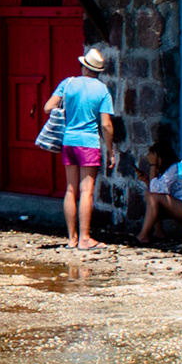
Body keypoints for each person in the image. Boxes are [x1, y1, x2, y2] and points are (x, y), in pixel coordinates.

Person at [43, 47, 117, 250]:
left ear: (84, 66)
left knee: (70, 189)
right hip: (88, 143)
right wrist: (110, 150)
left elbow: (48, 107)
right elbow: (106, 124)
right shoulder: (102, 90)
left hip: (69, 141)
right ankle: (85, 238)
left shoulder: (67, 84)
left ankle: (72, 238)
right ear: (98, 70)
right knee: (86, 191)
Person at [136, 139, 182, 245]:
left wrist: (153, 166)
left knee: (152, 196)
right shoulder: (165, 172)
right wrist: (146, 180)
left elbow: (155, 191)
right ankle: (158, 232)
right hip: (180, 205)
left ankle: (143, 235)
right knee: (151, 196)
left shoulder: (174, 168)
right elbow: (157, 190)